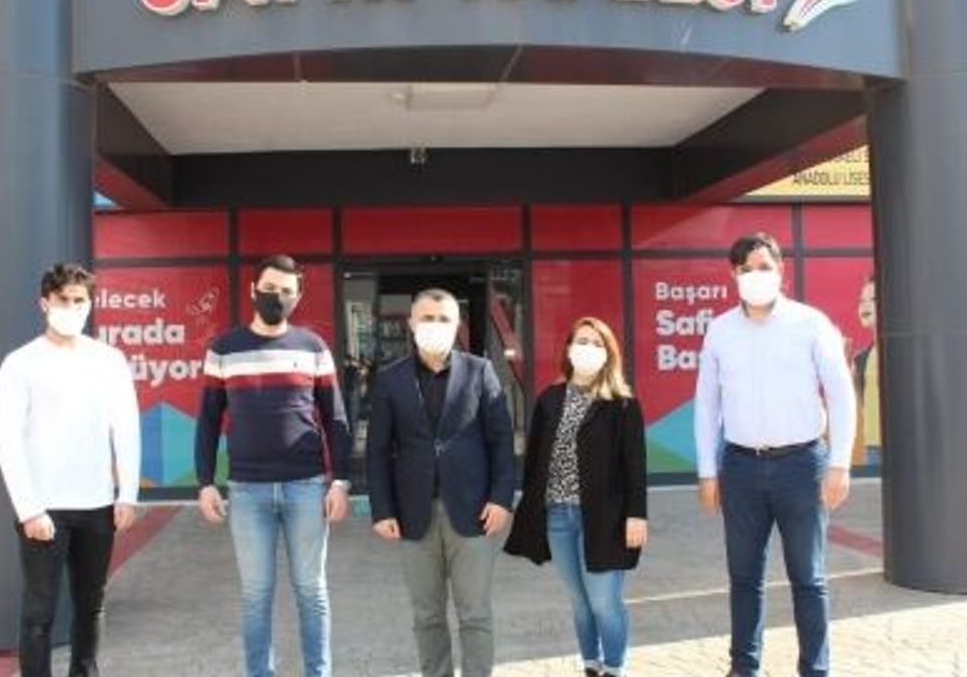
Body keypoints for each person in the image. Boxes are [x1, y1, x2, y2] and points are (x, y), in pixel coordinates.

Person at [693, 233, 857, 677]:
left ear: (781, 270)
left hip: (802, 466)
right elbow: (706, 404)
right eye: (746, 269)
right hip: (740, 466)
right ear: (733, 274)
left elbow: (841, 394)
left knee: (808, 577)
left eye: (764, 267)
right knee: (744, 577)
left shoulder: (810, 323)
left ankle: (815, 669)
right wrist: (708, 471)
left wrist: (840, 464)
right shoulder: (720, 331)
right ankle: (744, 667)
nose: (756, 276)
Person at [194, 254, 352, 677]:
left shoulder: (313, 348)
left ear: (297, 297)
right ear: (253, 291)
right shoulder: (223, 349)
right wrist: (205, 482)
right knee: (255, 596)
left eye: (285, 291)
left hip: (307, 487)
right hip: (248, 491)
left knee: (312, 592)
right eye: (269, 289)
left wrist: (340, 482)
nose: (276, 297)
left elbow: (335, 417)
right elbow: (208, 419)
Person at [0, 263, 141, 677]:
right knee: (39, 612)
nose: (72, 308)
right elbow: (7, 441)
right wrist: (29, 510)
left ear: (90, 304)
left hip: (98, 505)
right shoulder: (20, 363)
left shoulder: (109, 360)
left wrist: (127, 494)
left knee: (91, 606)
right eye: (63, 300)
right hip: (45, 509)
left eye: (80, 301)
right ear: (45, 303)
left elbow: (126, 428)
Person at [366, 287, 516, 677]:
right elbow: (377, 451)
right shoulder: (390, 379)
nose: (435, 325)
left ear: (457, 325)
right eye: (427, 318)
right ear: (411, 323)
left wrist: (502, 498)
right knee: (427, 616)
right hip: (413, 515)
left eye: (444, 319)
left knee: (475, 614)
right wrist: (382, 509)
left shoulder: (480, 371)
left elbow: (501, 440)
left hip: (474, 512)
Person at [505, 317, 648, 677]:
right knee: (580, 602)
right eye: (581, 341)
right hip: (558, 516)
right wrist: (528, 511)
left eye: (596, 343)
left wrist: (637, 515)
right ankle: (591, 666)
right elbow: (535, 461)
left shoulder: (622, 404)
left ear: (608, 353)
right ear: (569, 349)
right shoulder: (550, 400)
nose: (588, 348)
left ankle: (614, 668)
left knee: (603, 602)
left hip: (605, 519)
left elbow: (635, 466)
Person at [853, 276, 880, 466]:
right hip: (873, 449)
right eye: (862, 300)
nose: (865, 305)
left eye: (873, 299)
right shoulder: (861, 358)